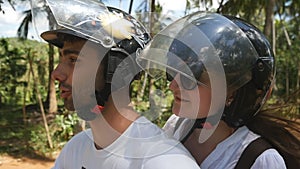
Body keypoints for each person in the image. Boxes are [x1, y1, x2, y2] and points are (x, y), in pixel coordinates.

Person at [39, 0, 201, 168]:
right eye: (61, 59)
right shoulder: (76, 149)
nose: (56, 74)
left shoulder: (163, 160)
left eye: (74, 60)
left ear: (117, 70)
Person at [137, 12, 300, 168]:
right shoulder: (177, 126)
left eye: (189, 79)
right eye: (172, 74)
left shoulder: (259, 160)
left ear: (232, 93)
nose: (172, 86)